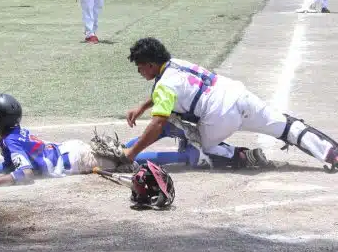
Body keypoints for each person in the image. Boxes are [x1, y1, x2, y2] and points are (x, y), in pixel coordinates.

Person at [122, 37, 338, 171]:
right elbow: (168, 92)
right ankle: (332, 152)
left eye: (140, 66)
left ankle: (241, 156)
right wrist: (142, 107)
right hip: (239, 95)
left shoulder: (164, 86)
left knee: (199, 151)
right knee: (287, 127)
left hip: (220, 115)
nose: (139, 71)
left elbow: (158, 124)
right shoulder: (176, 63)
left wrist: (132, 154)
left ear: (151, 65)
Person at [0, 93, 140, 190]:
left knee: (130, 158)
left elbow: (25, 174)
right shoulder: (14, 133)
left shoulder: (10, 140)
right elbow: (10, 166)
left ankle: (153, 137)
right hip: (72, 151)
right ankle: (145, 139)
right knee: (123, 151)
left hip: (79, 159)